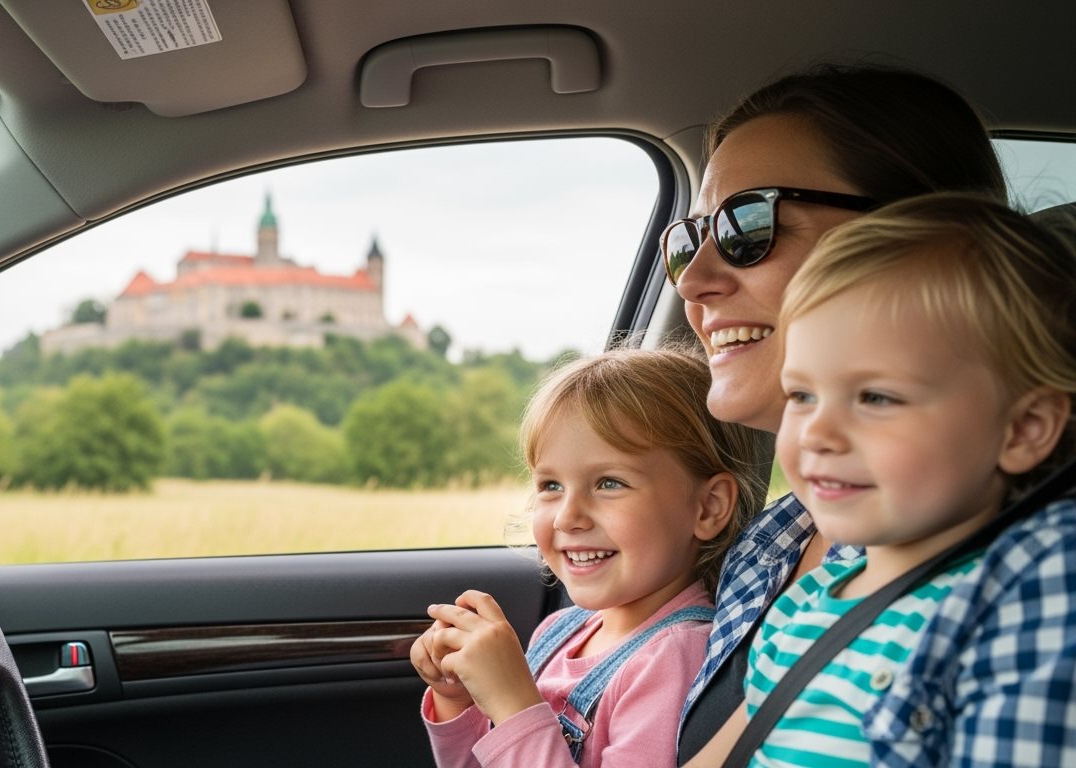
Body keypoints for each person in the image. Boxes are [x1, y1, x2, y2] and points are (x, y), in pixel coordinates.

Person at [670, 64, 1076, 766]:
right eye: (804, 395)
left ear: (906, 236)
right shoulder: (780, 540)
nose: (693, 281)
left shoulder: (1033, 574)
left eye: (749, 224)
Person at [738, 193, 1076, 766]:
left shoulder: (1023, 591)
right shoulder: (799, 608)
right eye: (801, 395)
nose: (818, 433)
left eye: (876, 397)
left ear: (1022, 430)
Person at [410, 349, 771, 767]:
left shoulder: (674, 657)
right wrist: (458, 699)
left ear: (708, 508)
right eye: (550, 485)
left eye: (609, 483)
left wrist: (513, 705)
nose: (567, 517)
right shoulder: (558, 632)